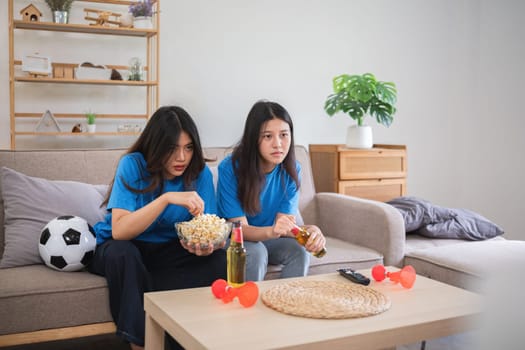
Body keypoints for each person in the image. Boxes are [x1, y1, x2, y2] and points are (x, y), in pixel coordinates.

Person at [89, 106, 226, 350]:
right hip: (122, 246)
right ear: (156, 146)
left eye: (188, 148)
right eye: (172, 149)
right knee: (125, 255)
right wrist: (165, 200)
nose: (182, 158)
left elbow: (207, 228)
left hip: (168, 249)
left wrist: (206, 246)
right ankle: (142, 345)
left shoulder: (199, 173)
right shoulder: (132, 165)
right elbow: (120, 231)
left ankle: (199, 338)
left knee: (218, 259)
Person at [217, 100, 326, 281]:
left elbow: (284, 225)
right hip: (236, 241)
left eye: (284, 134)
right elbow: (240, 229)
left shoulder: (292, 170)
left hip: (270, 238)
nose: (278, 144)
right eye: (268, 136)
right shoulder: (230, 168)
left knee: (299, 250)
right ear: (254, 139)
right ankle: (248, 306)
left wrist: (311, 231)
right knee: (257, 251)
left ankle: (289, 303)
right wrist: (272, 232)